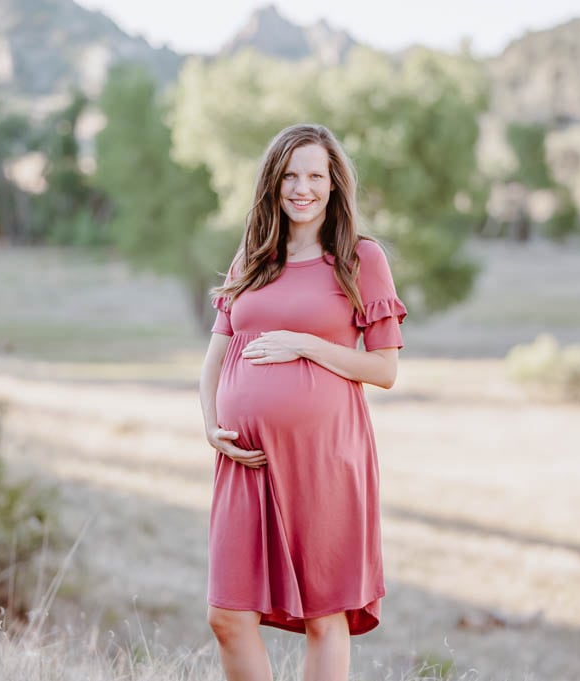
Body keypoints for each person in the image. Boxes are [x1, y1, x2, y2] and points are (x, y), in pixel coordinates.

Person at [198, 123, 406, 681]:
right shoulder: (253, 258)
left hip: (325, 459)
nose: (302, 188)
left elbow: (384, 369)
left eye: (315, 175)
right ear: (273, 183)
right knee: (227, 616)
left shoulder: (361, 259)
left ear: (334, 184)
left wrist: (308, 345)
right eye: (290, 175)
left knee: (324, 616)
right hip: (245, 462)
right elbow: (216, 356)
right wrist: (211, 425)